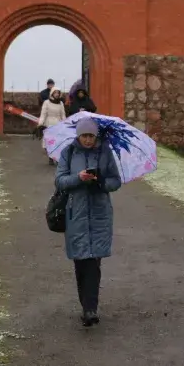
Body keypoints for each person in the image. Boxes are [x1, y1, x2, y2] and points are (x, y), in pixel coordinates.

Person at [55, 117, 122, 326]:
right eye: (84, 136)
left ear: (96, 136)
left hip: (100, 212)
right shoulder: (68, 152)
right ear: (78, 136)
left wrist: (100, 181)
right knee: (81, 261)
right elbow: (59, 180)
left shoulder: (105, 152)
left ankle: (90, 309)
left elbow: (115, 181)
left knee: (94, 261)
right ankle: (86, 304)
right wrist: (79, 178)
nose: (87, 140)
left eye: (91, 136)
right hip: (76, 211)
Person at [38, 89, 67, 164]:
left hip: (58, 123)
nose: (57, 94)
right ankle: (50, 157)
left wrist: (65, 123)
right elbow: (43, 114)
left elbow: (63, 114)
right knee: (49, 142)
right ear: (52, 93)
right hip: (49, 124)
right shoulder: (46, 102)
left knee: (58, 142)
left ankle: (57, 158)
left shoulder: (60, 103)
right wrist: (40, 123)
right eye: (55, 93)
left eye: (58, 93)